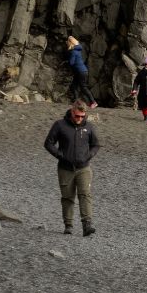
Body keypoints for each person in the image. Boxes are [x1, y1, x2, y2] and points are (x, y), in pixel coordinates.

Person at [43, 101, 98, 237]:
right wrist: (60, 155)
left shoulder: (89, 127)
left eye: (82, 116)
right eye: (77, 116)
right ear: (72, 112)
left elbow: (96, 145)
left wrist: (89, 156)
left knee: (85, 194)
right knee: (67, 197)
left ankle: (87, 225)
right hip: (65, 168)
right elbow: (48, 143)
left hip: (84, 168)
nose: (79, 119)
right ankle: (68, 225)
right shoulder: (60, 125)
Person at [64, 35, 93, 105]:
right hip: (82, 71)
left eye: (67, 42)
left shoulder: (74, 51)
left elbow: (71, 62)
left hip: (81, 72)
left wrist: (67, 61)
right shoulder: (77, 50)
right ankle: (76, 102)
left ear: (70, 43)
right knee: (74, 86)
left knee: (83, 87)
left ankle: (93, 102)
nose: (66, 43)